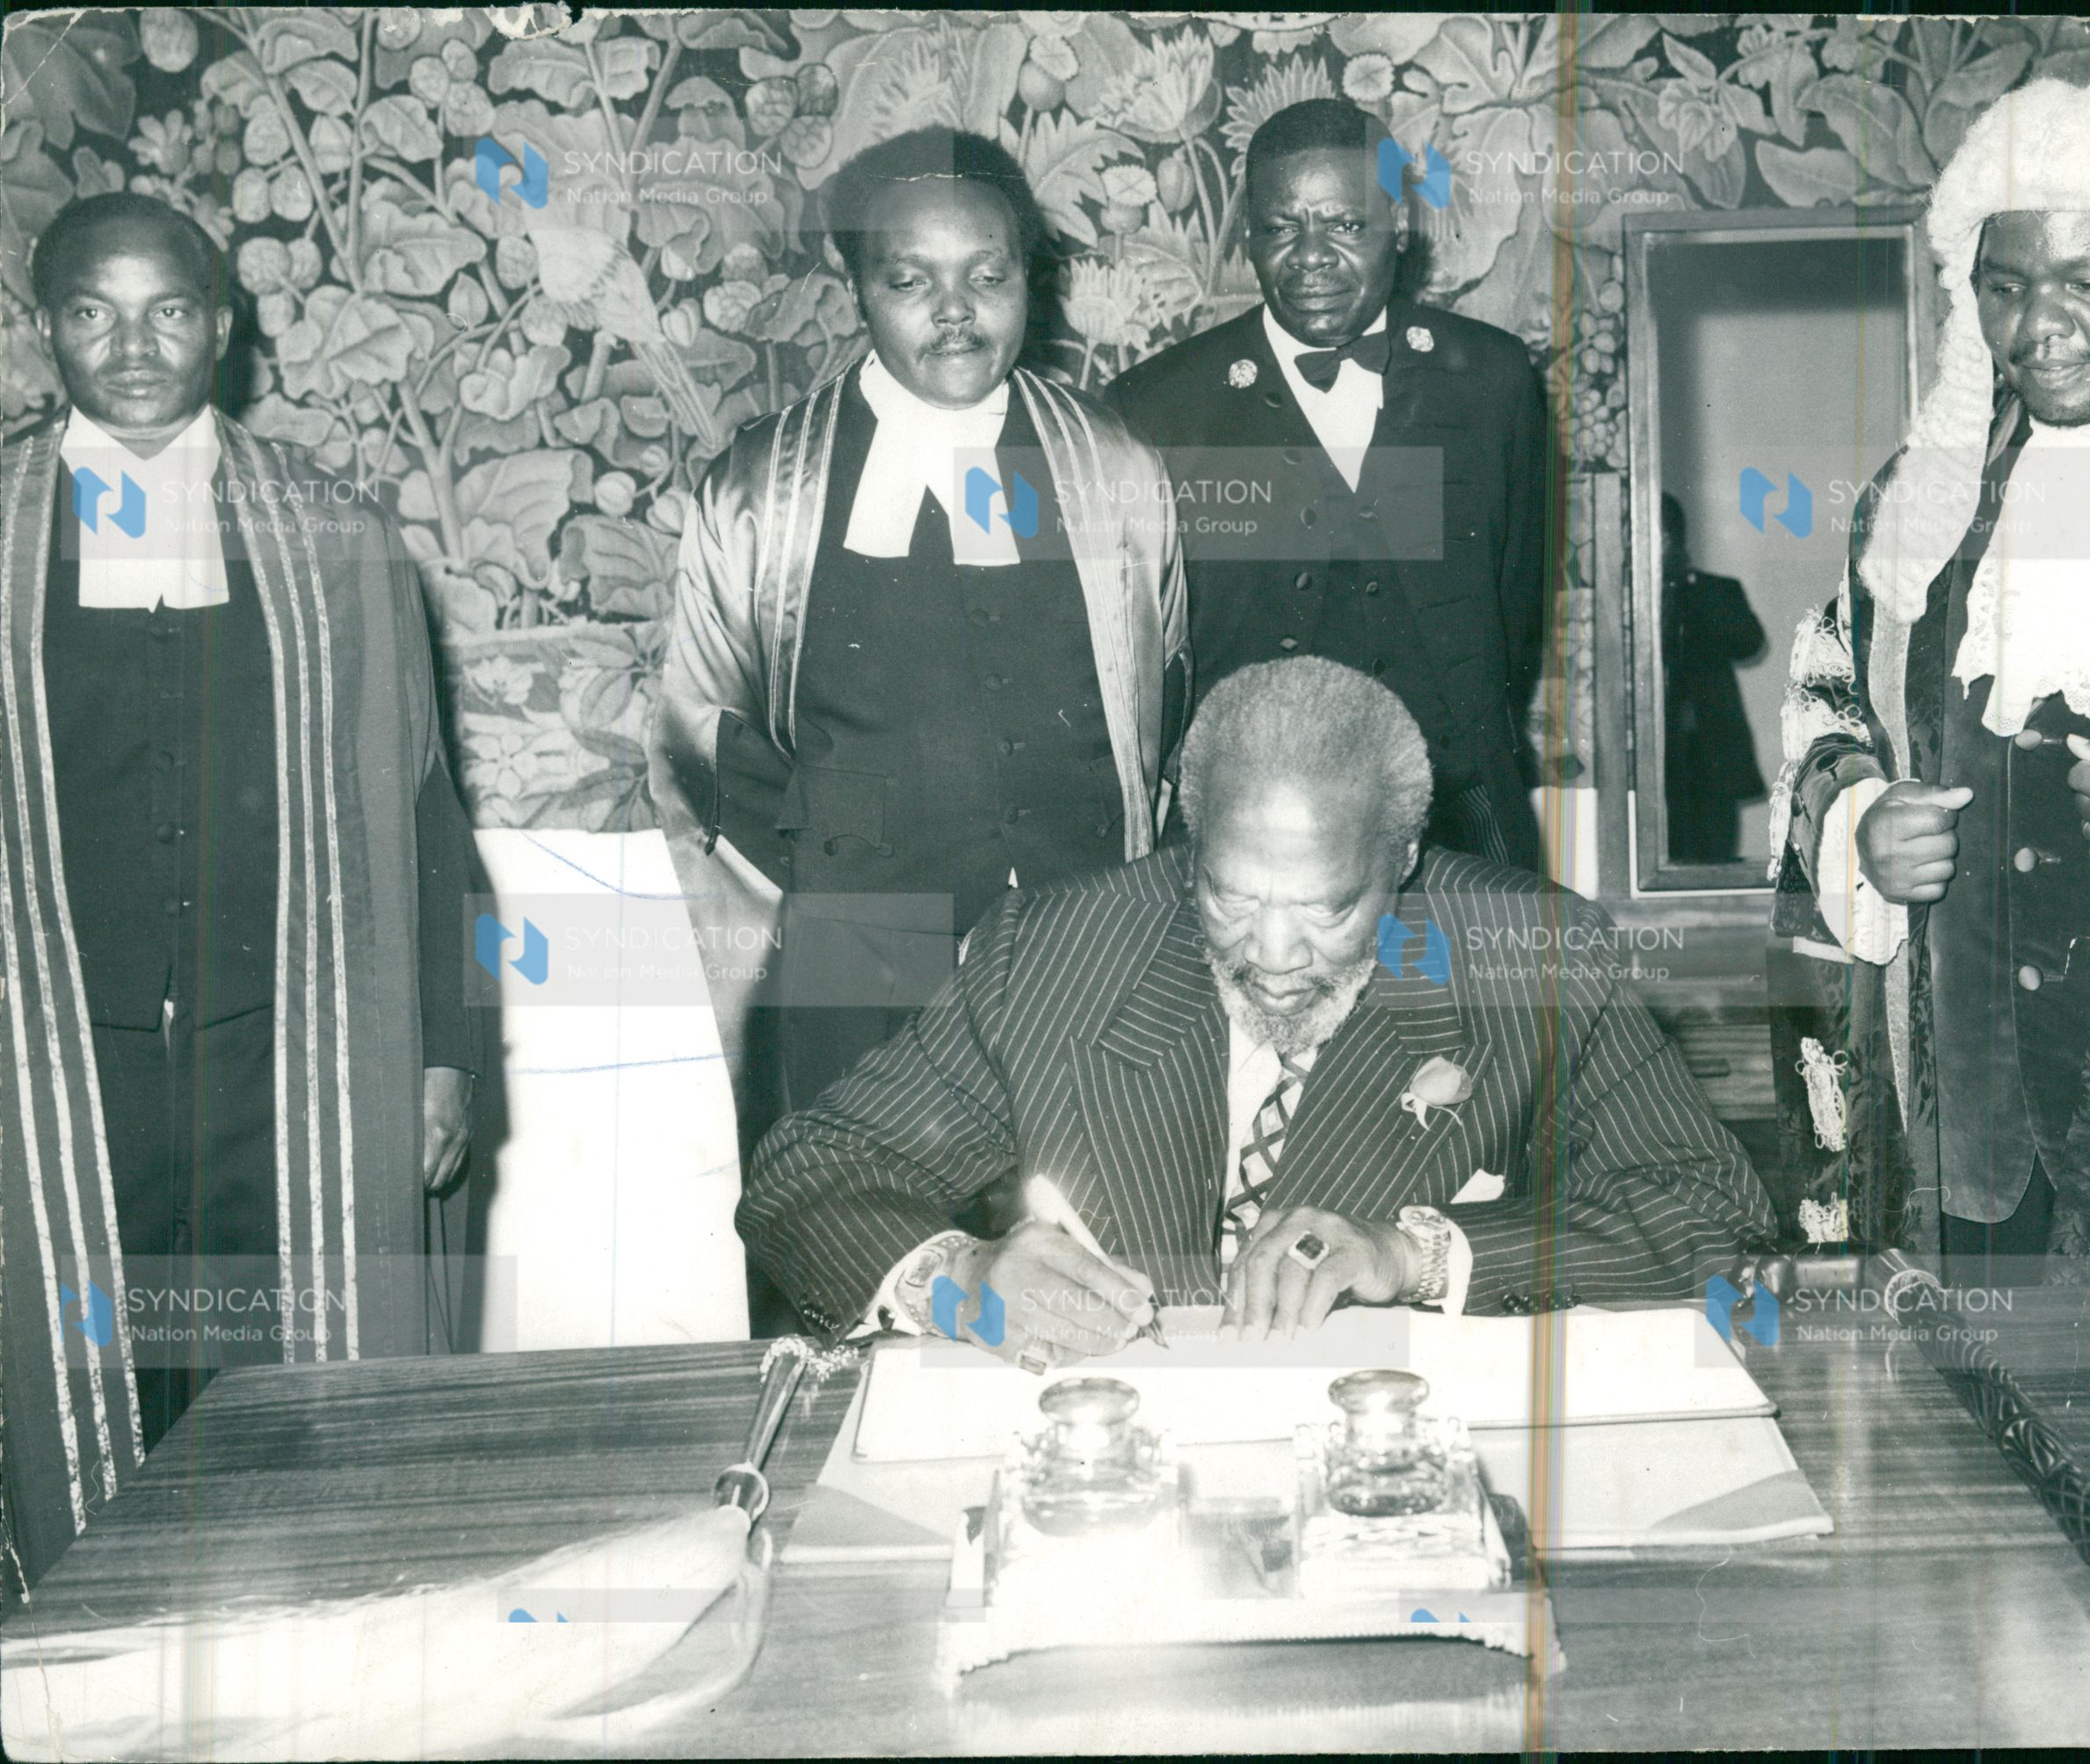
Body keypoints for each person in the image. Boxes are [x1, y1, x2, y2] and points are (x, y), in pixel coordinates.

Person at [741, 658, 1775, 1361]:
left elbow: (1714, 1215)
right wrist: (963, 1279)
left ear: (1401, 862)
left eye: (1328, 910)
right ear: (1187, 848)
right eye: (1230, 899)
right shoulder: (1052, 950)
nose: (1273, 957)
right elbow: (810, 1170)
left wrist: (1407, 1254)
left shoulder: (1529, 957)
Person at [1, 193, 484, 1594]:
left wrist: (443, 1048)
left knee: (283, 1403)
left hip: (289, 1053)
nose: (132, 344)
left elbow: (422, 807)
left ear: (223, 323)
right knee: (89, 1385)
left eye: (168, 310)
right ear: (48, 330)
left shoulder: (331, 534)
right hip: (55, 1064)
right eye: (93, 310)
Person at [652, 128, 1187, 1330]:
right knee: (868, 1288)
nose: (955, 313)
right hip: (857, 975)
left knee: (1099, 1292)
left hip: (1084, 963)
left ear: (1029, 282)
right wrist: (862, 875)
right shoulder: (758, 489)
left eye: (988, 276)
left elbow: (1168, 699)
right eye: (911, 280)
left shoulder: (1111, 468)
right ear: (858, 286)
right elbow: (700, 740)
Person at [1770, 74, 2090, 1283]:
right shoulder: (1916, 503)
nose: (2037, 325)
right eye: (2003, 285)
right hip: (1969, 1132)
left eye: (2089, 282)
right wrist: (1862, 831)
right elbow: (1824, 708)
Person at [1107, 98, 1549, 871]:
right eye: (1281, 228)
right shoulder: (1158, 405)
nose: (1310, 256)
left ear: (1399, 229)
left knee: (1488, 992)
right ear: (1246, 239)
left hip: (1462, 809)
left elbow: (1513, 607)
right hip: (1252, 828)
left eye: (1346, 226)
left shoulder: (1490, 379)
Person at [1659, 492, 1767, 862]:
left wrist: (1687, 590)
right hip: (1656, 752)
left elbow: (1750, 645)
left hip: (1711, 755)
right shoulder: (1624, 596)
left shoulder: (1716, 591)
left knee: (1715, 857)